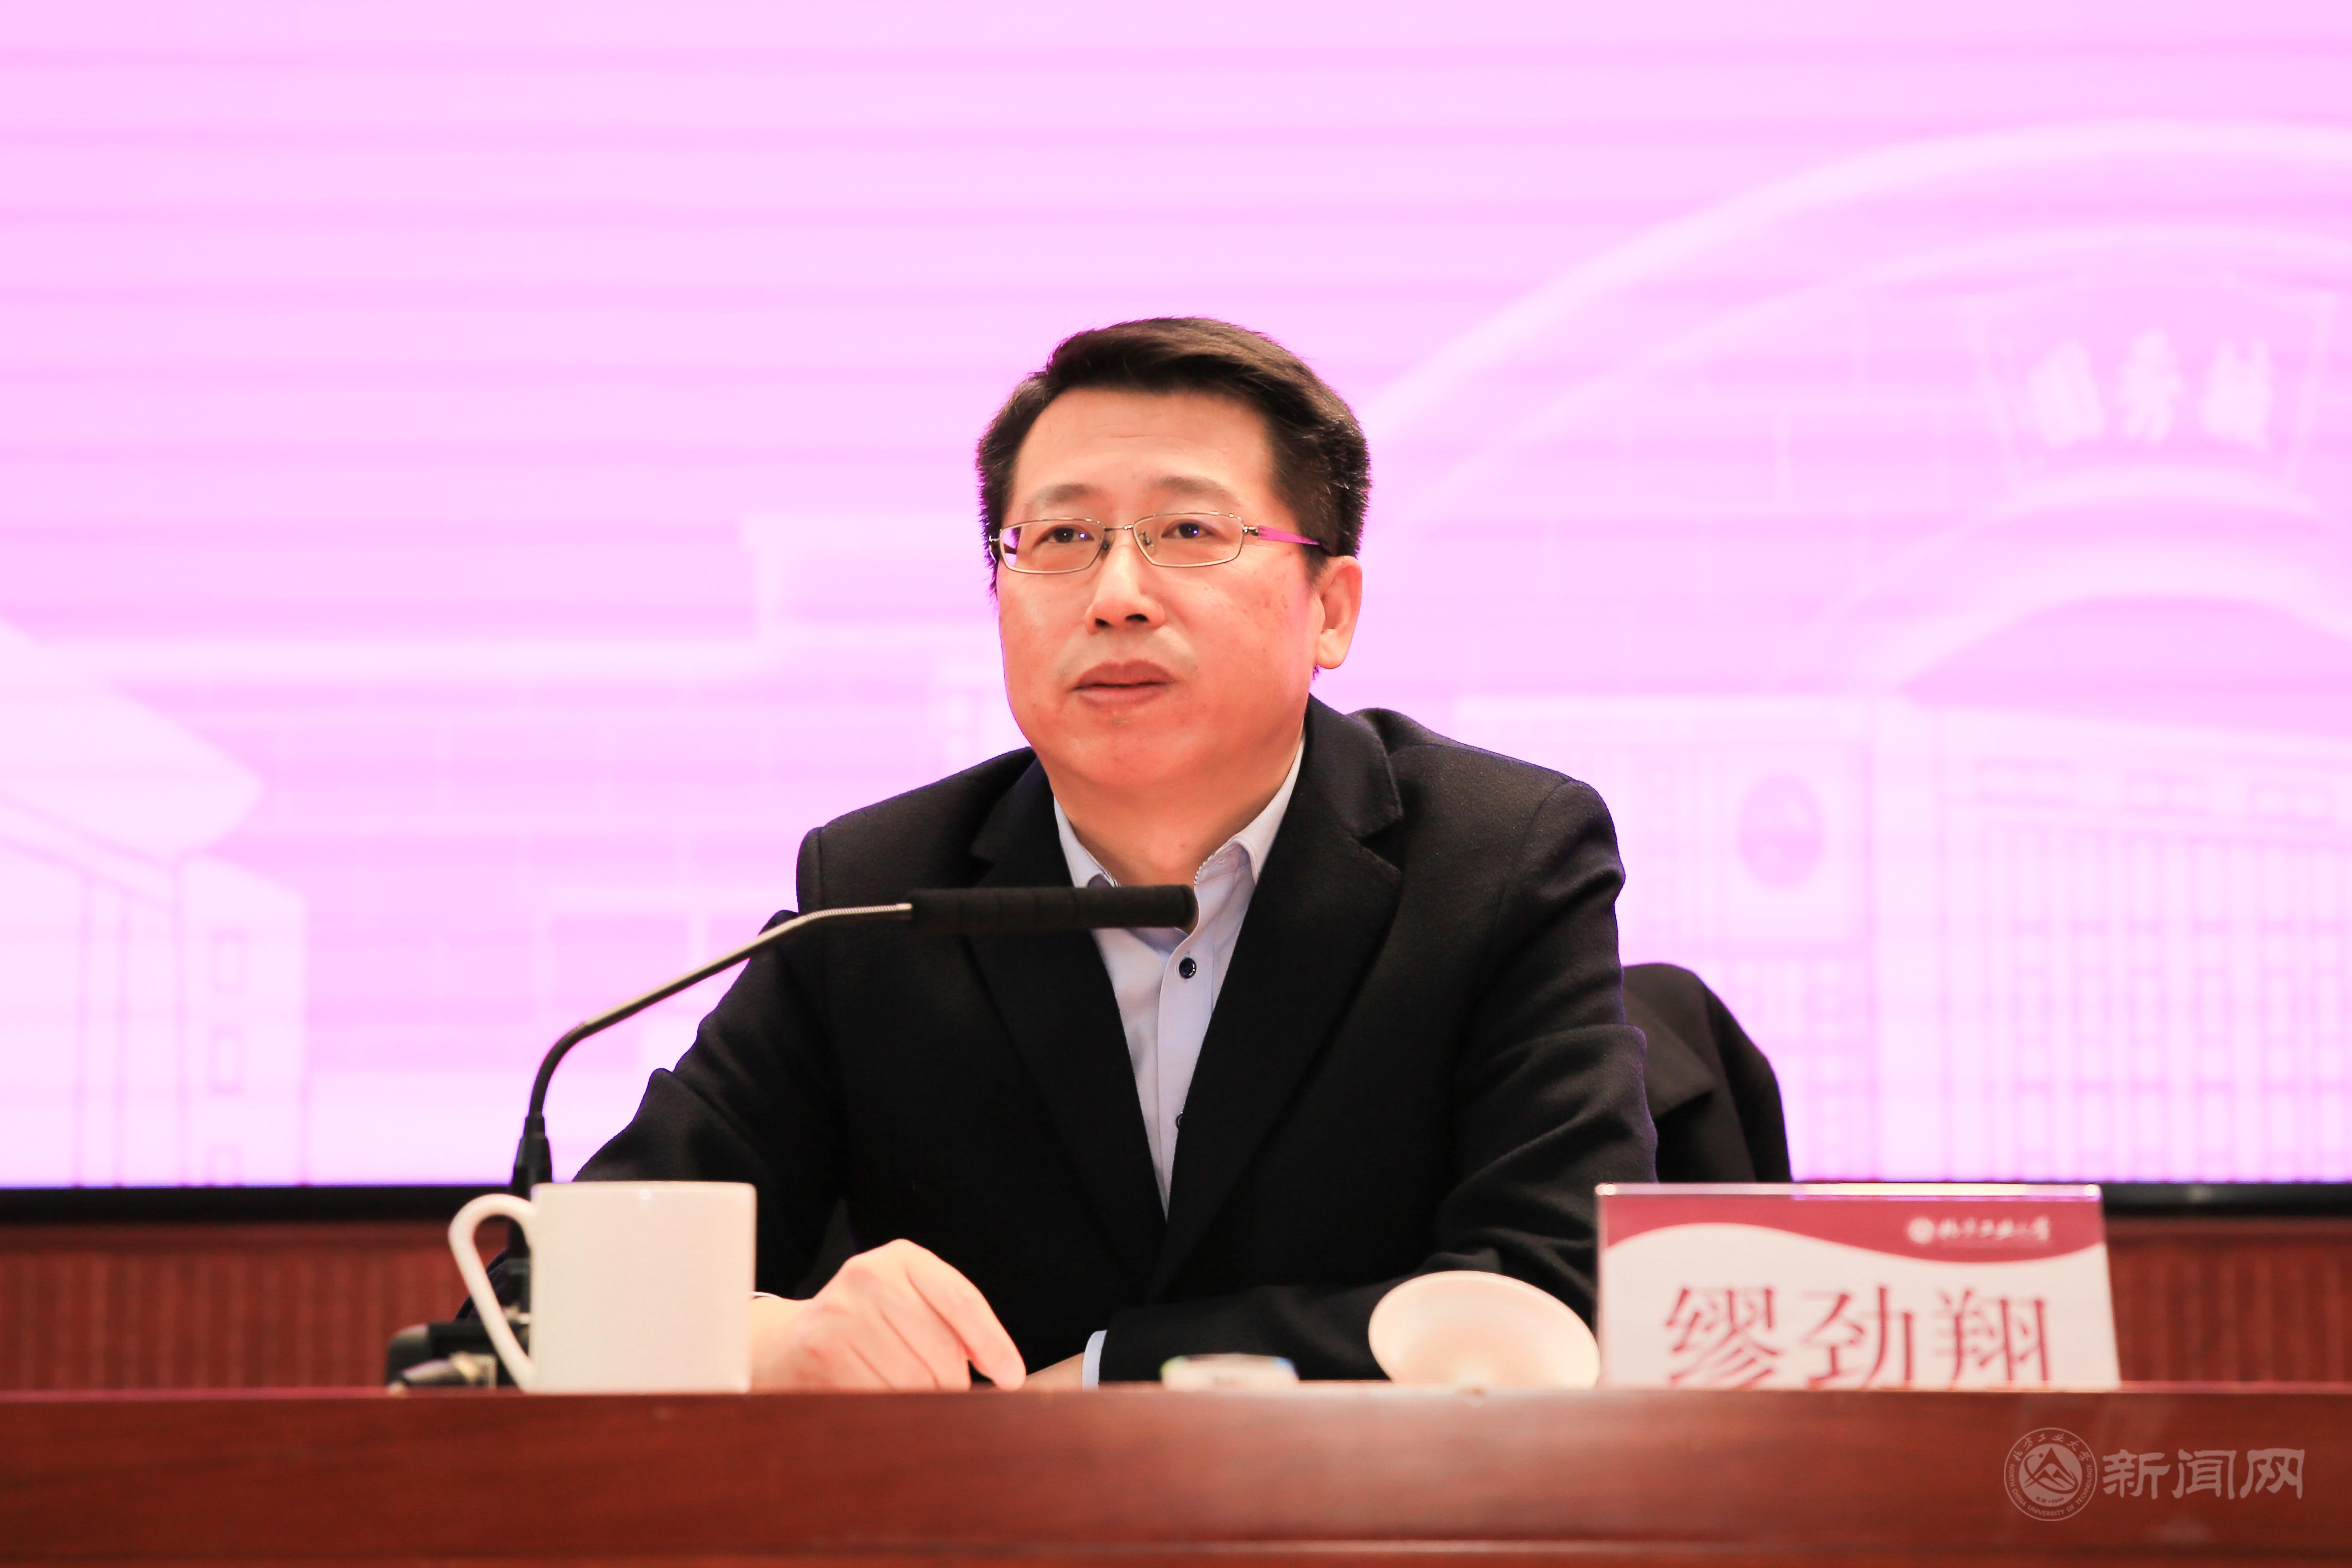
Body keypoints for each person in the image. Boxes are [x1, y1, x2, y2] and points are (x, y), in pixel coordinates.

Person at [570, 317, 1656, 1387]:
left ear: (1330, 609)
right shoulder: (878, 896)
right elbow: (563, 1284)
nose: (1118, 597)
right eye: (1061, 540)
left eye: (1189, 531)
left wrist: (1108, 1376)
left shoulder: (1498, 859)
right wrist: (768, 1341)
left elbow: (1554, 1294)